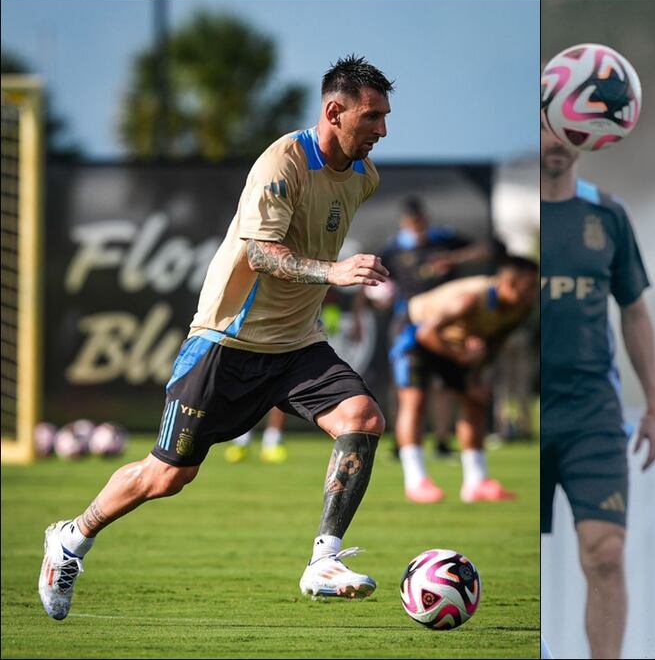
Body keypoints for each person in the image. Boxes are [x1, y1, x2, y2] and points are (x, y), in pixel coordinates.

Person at [38, 55, 394, 620]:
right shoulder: (282, 162)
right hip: (227, 341)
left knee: (363, 419)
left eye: (384, 117)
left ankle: (323, 560)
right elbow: (260, 252)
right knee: (169, 474)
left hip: (298, 344)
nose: (382, 130)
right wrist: (334, 273)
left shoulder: (364, 177)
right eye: (372, 117)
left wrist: (344, 286)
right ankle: (71, 539)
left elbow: (319, 247)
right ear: (334, 111)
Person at [539, 125, 655, 659]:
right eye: (548, 122)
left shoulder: (608, 215)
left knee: (606, 556)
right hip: (526, 416)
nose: (559, 137)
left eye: (572, 127)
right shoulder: (518, 219)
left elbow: (634, 311)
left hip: (592, 414)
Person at [391, 255, 538, 503]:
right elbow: (427, 333)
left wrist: (477, 376)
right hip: (416, 333)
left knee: (475, 401)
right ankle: (415, 481)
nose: (534, 293)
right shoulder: (469, 300)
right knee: (415, 399)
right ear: (510, 283)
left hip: (457, 347)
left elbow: (494, 343)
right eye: (529, 286)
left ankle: (476, 482)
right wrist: (462, 358)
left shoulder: (522, 309)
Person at [379, 197, 489, 458]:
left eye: (420, 221)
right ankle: (401, 441)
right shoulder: (394, 248)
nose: (417, 226)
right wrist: (379, 294)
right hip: (407, 319)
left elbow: (485, 249)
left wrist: (454, 259)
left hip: (444, 320)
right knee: (405, 384)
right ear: (404, 223)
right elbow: (380, 279)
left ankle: (441, 439)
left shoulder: (443, 239)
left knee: (444, 384)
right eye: (412, 222)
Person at [224, 285, 370, 464]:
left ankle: (273, 439)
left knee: (281, 382)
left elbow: (335, 286)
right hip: (269, 320)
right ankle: (242, 438)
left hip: (308, 322)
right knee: (252, 383)